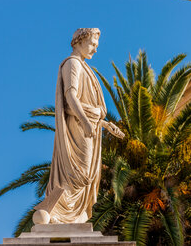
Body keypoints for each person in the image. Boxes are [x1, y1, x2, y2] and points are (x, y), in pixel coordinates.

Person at [34, 28, 124, 224]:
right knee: (79, 173)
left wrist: (105, 125)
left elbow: (88, 107)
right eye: (92, 44)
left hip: (88, 125)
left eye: (96, 46)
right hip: (80, 126)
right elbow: (70, 98)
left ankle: (73, 215)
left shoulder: (85, 67)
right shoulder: (73, 64)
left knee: (86, 175)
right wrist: (85, 121)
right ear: (79, 42)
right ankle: (60, 213)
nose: (95, 49)